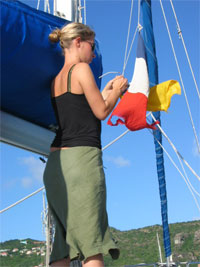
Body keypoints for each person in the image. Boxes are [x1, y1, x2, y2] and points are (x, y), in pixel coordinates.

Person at [43, 22, 128, 267]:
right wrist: (118, 90)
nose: (93, 54)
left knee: (63, 246)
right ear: (79, 42)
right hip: (82, 162)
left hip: (56, 167)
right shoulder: (81, 69)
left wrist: (107, 92)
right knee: (92, 244)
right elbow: (101, 111)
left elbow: (81, 113)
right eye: (92, 46)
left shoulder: (56, 80)